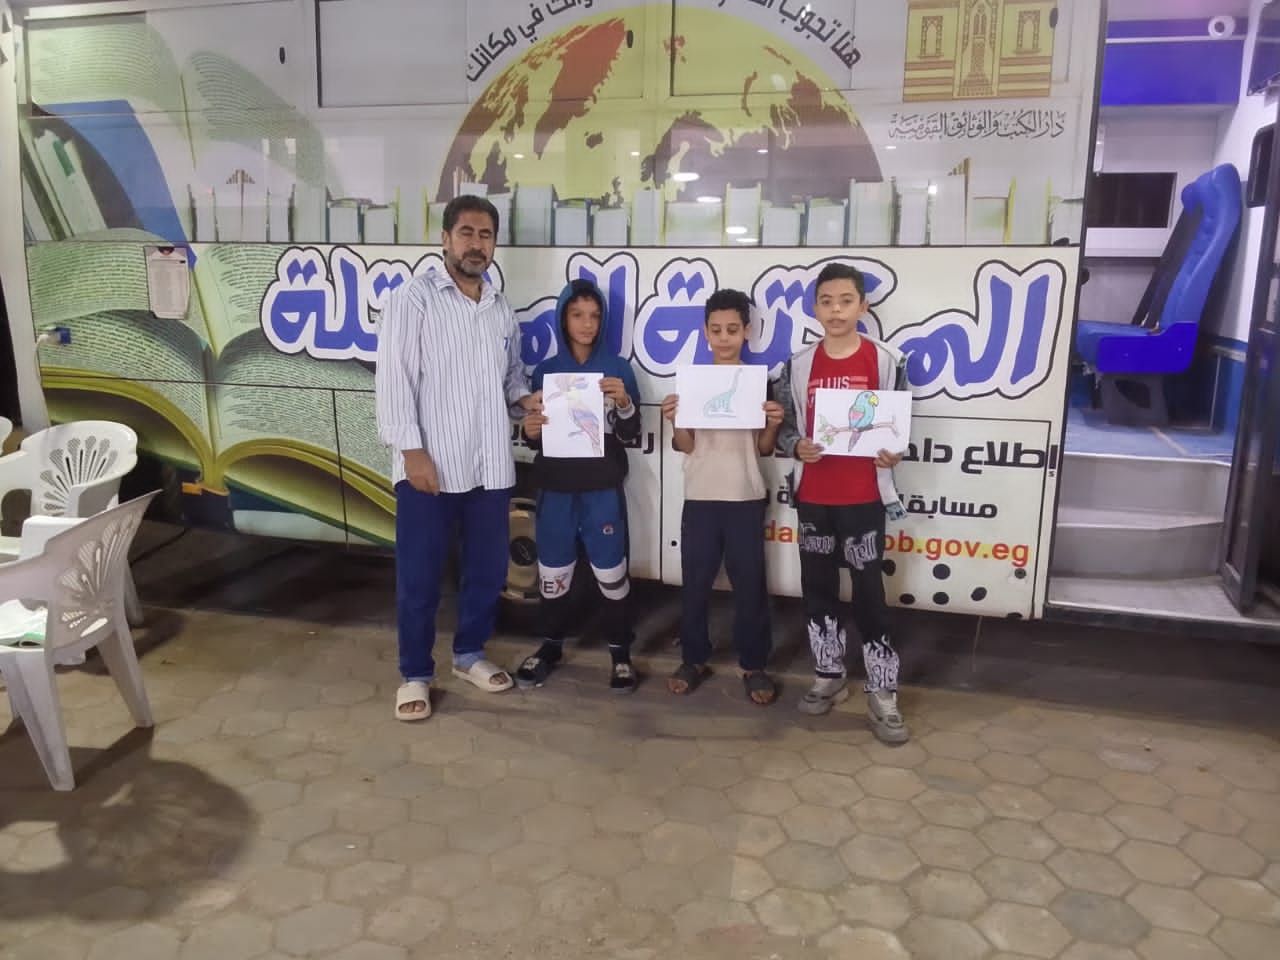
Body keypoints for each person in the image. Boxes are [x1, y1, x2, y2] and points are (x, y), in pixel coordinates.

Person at [375, 194, 539, 721]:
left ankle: (469, 654)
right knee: (420, 577)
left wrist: (526, 401)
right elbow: (394, 380)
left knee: (487, 571)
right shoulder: (413, 299)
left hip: (490, 464)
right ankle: (415, 674)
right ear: (445, 238)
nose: (476, 244)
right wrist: (412, 452)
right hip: (431, 466)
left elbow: (511, 376)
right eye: (466, 233)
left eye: (485, 235)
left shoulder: (499, 307)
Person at [775, 262, 911, 743]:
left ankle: (883, 690)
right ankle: (828, 674)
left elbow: (900, 427)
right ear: (815, 308)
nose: (836, 311)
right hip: (814, 497)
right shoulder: (798, 364)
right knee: (817, 590)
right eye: (827, 302)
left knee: (870, 593)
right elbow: (785, 426)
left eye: (846, 301)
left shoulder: (888, 360)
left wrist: (895, 451)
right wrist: (795, 446)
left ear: (863, 306)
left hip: (864, 498)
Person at [515, 278, 643, 692]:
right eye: (577, 315)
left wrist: (624, 403)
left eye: (594, 316)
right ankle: (550, 646)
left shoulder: (617, 369)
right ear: (563, 319)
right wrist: (530, 429)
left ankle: (620, 653)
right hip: (555, 488)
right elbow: (536, 435)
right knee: (553, 574)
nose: (587, 324)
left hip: (601, 490)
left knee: (612, 573)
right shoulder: (546, 372)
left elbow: (631, 433)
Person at [660, 289, 782, 705]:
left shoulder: (759, 382)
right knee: (695, 585)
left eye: (732, 329)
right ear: (705, 332)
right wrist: (675, 419)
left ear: (747, 331)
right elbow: (686, 445)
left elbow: (764, 448)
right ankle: (693, 658)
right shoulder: (693, 382)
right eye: (716, 330)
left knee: (750, 585)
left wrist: (773, 424)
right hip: (701, 495)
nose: (724, 337)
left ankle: (754, 664)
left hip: (745, 495)